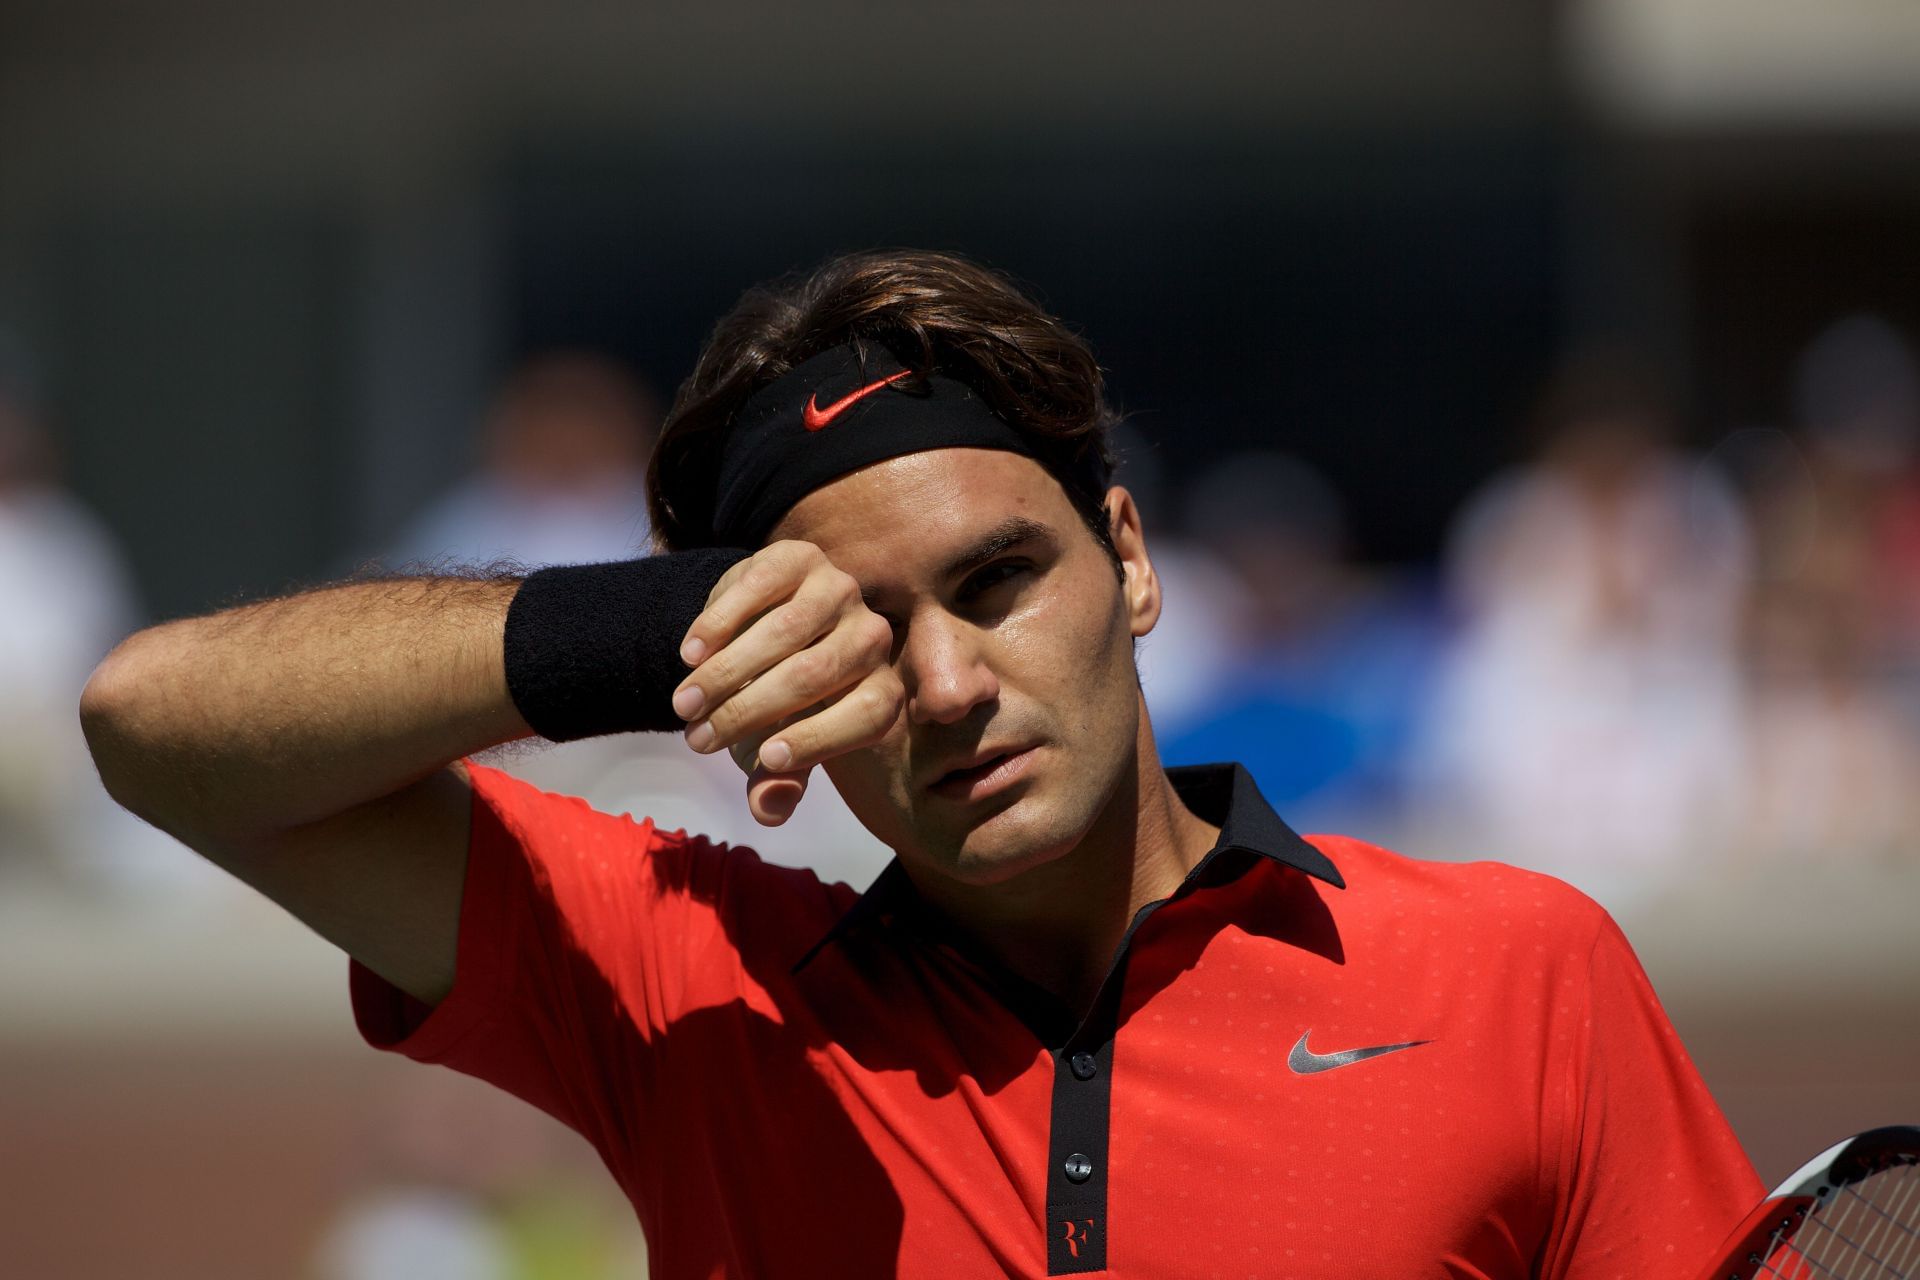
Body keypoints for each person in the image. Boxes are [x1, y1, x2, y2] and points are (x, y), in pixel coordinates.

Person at [81, 250, 1762, 1278]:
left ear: (1132, 560)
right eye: (860, 635)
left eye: (997, 581)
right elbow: (157, 726)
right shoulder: (693, 987)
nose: (948, 685)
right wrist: (634, 631)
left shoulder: (1520, 970)